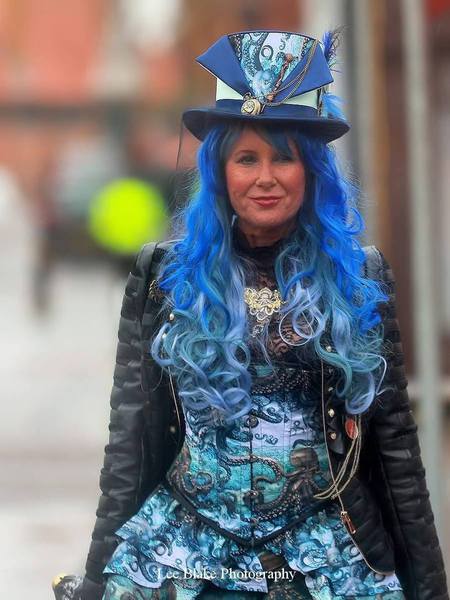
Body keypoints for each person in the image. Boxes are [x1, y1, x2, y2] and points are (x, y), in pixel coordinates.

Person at [53, 30, 448, 600]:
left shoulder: (359, 276)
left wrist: (429, 588)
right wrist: (96, 579)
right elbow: (131, 441)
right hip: (183, 558)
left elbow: (395, 447)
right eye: (246, 159)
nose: (265, 177)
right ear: (220, 172)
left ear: (312, 172)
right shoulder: (164, 276)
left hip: (324, 564)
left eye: (284, 157)